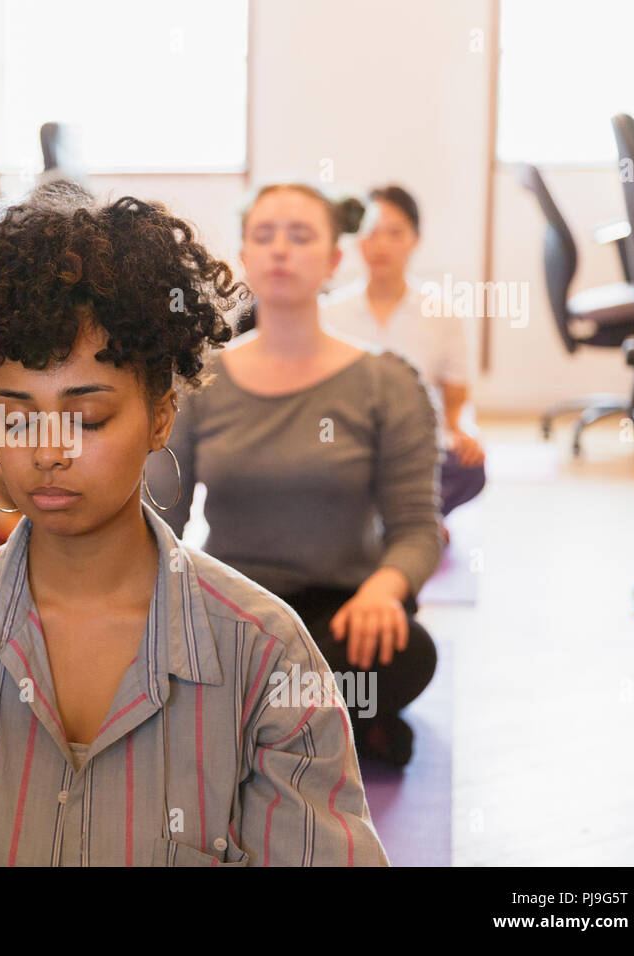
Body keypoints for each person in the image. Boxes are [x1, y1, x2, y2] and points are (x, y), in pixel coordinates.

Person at [0, 193, 389, 866]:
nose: (49, 451)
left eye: (88, 418)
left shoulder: (265, 657)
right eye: (18, 417)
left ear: (161, 416)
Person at [148, 183, 442, 768]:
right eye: (265, 235)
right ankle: (317, 734)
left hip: (345, 613)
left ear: (335, 260)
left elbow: (417, 530)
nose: (281, 249)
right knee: (179, 655)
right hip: (235, 607)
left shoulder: (387, 382)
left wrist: (385, 589)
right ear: (245, 258)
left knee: (407, 653)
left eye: (301, 235)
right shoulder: (200, 380)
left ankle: (254, 732)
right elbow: (161, 522)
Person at [321, 184, 486, 541]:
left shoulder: (441, 313)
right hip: (350, 443)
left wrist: (464, 432)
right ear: (356, 241)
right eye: (371, 233)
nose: (381, 245)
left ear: (415, 238)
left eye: (395, 233)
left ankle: (401, 519)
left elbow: (456, 403)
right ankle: (406, 521)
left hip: (417, 446)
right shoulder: (329, 312)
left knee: (469, 467)